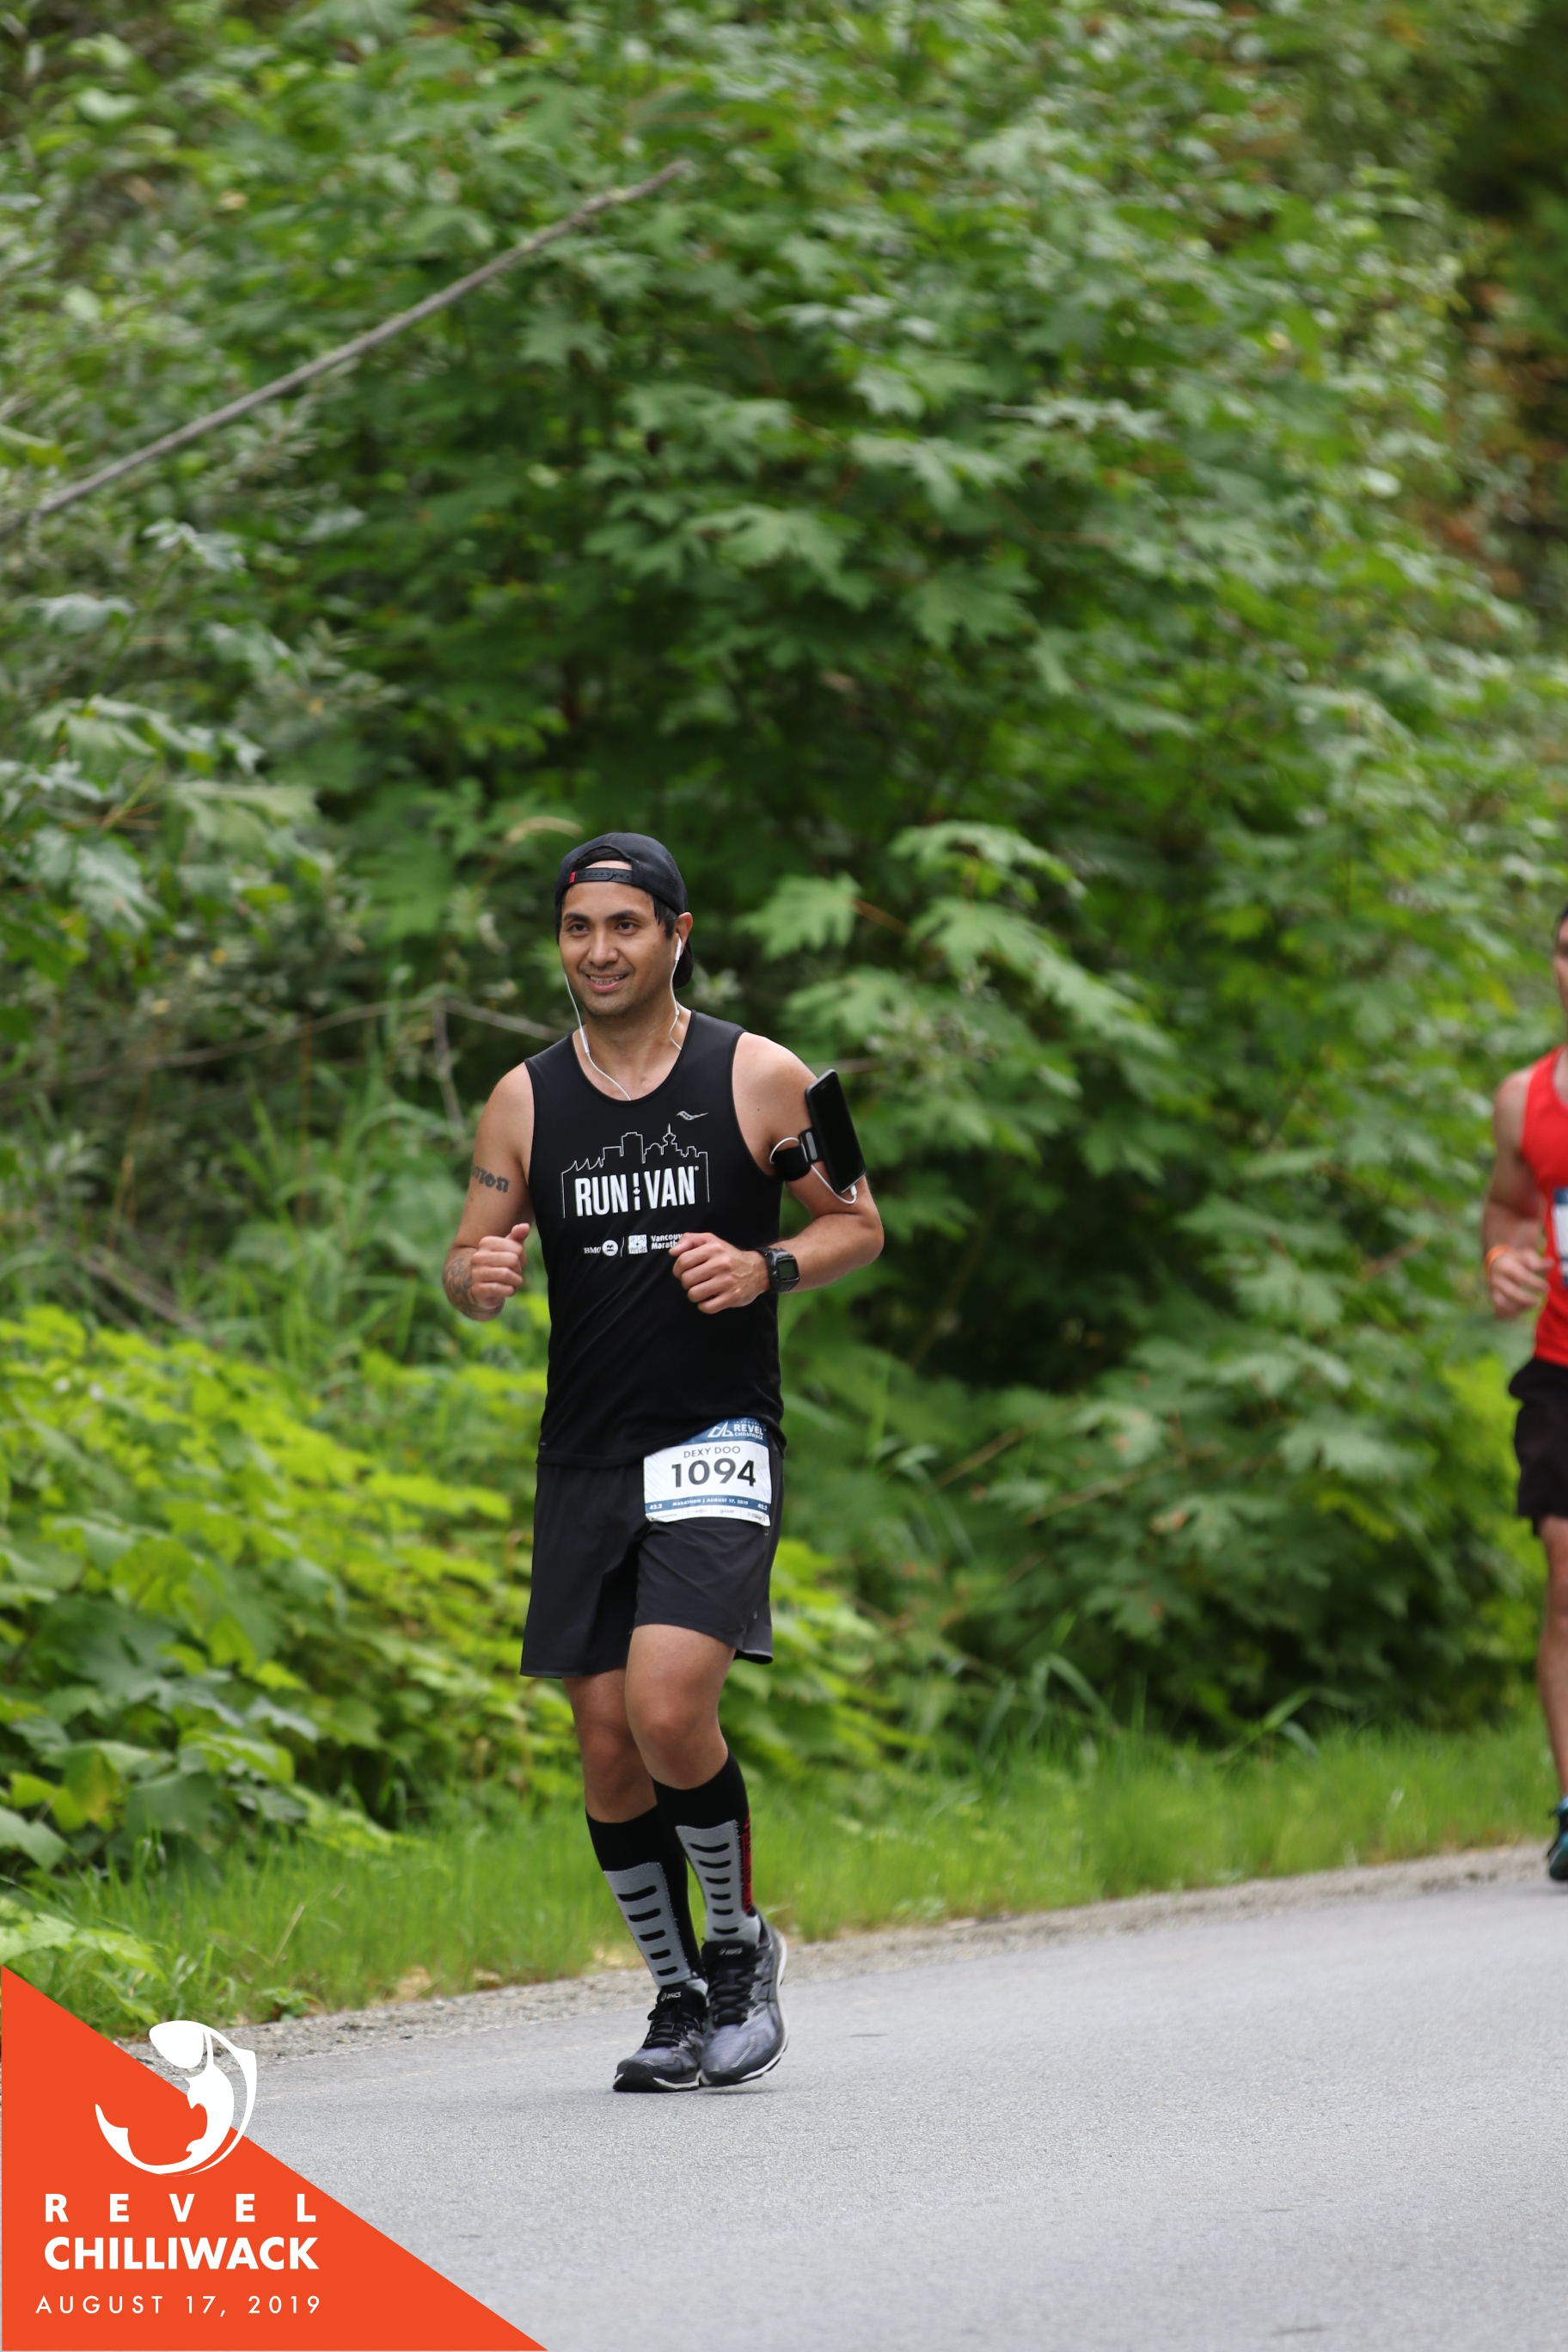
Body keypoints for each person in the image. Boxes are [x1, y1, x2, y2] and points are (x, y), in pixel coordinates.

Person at [442, 833, 884, 2086]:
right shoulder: (524, 1098)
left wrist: (765, 1266)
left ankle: (739, 1953)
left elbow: (861, 1224)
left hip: (717, 1437)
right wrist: (478, 1276)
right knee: (604, 1743)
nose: (599, 951)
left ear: (677, 935)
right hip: (586, 1454)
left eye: (625, 926)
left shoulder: (765, 1074)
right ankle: (677, 1996)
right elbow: (465, 1260)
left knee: (669, 1707)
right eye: (578, 928)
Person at [1483, 899, 1568, 1881]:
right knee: (1566, 1568)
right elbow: (1507, 1210)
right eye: (1566, 951)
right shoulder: (1523, 1099)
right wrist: (1502, 1263)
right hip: (1563, 1368)